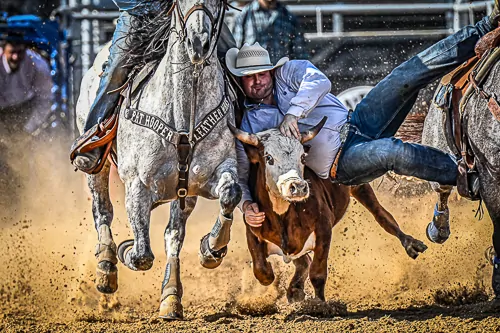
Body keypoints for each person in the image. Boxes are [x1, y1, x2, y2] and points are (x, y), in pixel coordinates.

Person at [227, 7, 499, 227]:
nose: (257, 82)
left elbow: (320, 82)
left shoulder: (290, 72)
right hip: (341, 162)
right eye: (249, 78)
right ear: (240, 82)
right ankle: (472, 178)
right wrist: (246, 205)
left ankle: (487, 26)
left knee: (405, 75)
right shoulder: (251, 124)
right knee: (391, 152)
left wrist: (292, 114)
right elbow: (241, 171)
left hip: (356, 121)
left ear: (271, 72)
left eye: (261, 73)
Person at [71, 0, 237, 173]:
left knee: (233, 57)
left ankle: (245, 137)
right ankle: (93, 139)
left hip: (191, 10)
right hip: (140, 15)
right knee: (115, 71)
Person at [0, 34, 52, 136]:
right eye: (12, 52)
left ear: (25, 50)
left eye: (19, 52)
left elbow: (45, 99)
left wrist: (28, 129)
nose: (15, 57)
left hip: (25, 110)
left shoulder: (38, 65)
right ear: (3, 50)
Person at [231, 0, 307, 63]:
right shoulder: (243, 16)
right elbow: (235, 51)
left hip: (281, 75)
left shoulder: (290, 18)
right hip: (253, 75)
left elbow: (299, 55)